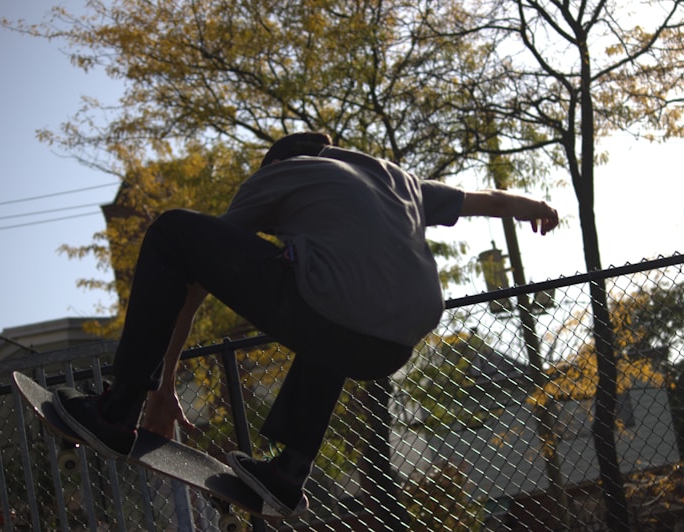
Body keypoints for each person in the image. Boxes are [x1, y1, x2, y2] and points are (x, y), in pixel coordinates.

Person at [53, 132, 559, 518]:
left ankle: (117, 410)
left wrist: (162, 388)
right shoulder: (394, 178)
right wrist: (536, 206)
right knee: (331, 293)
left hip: (341, 315)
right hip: (398, 341)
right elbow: (488, 198)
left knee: (171, 231)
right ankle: (288, 471)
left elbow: (192, 282)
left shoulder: (280, 173)